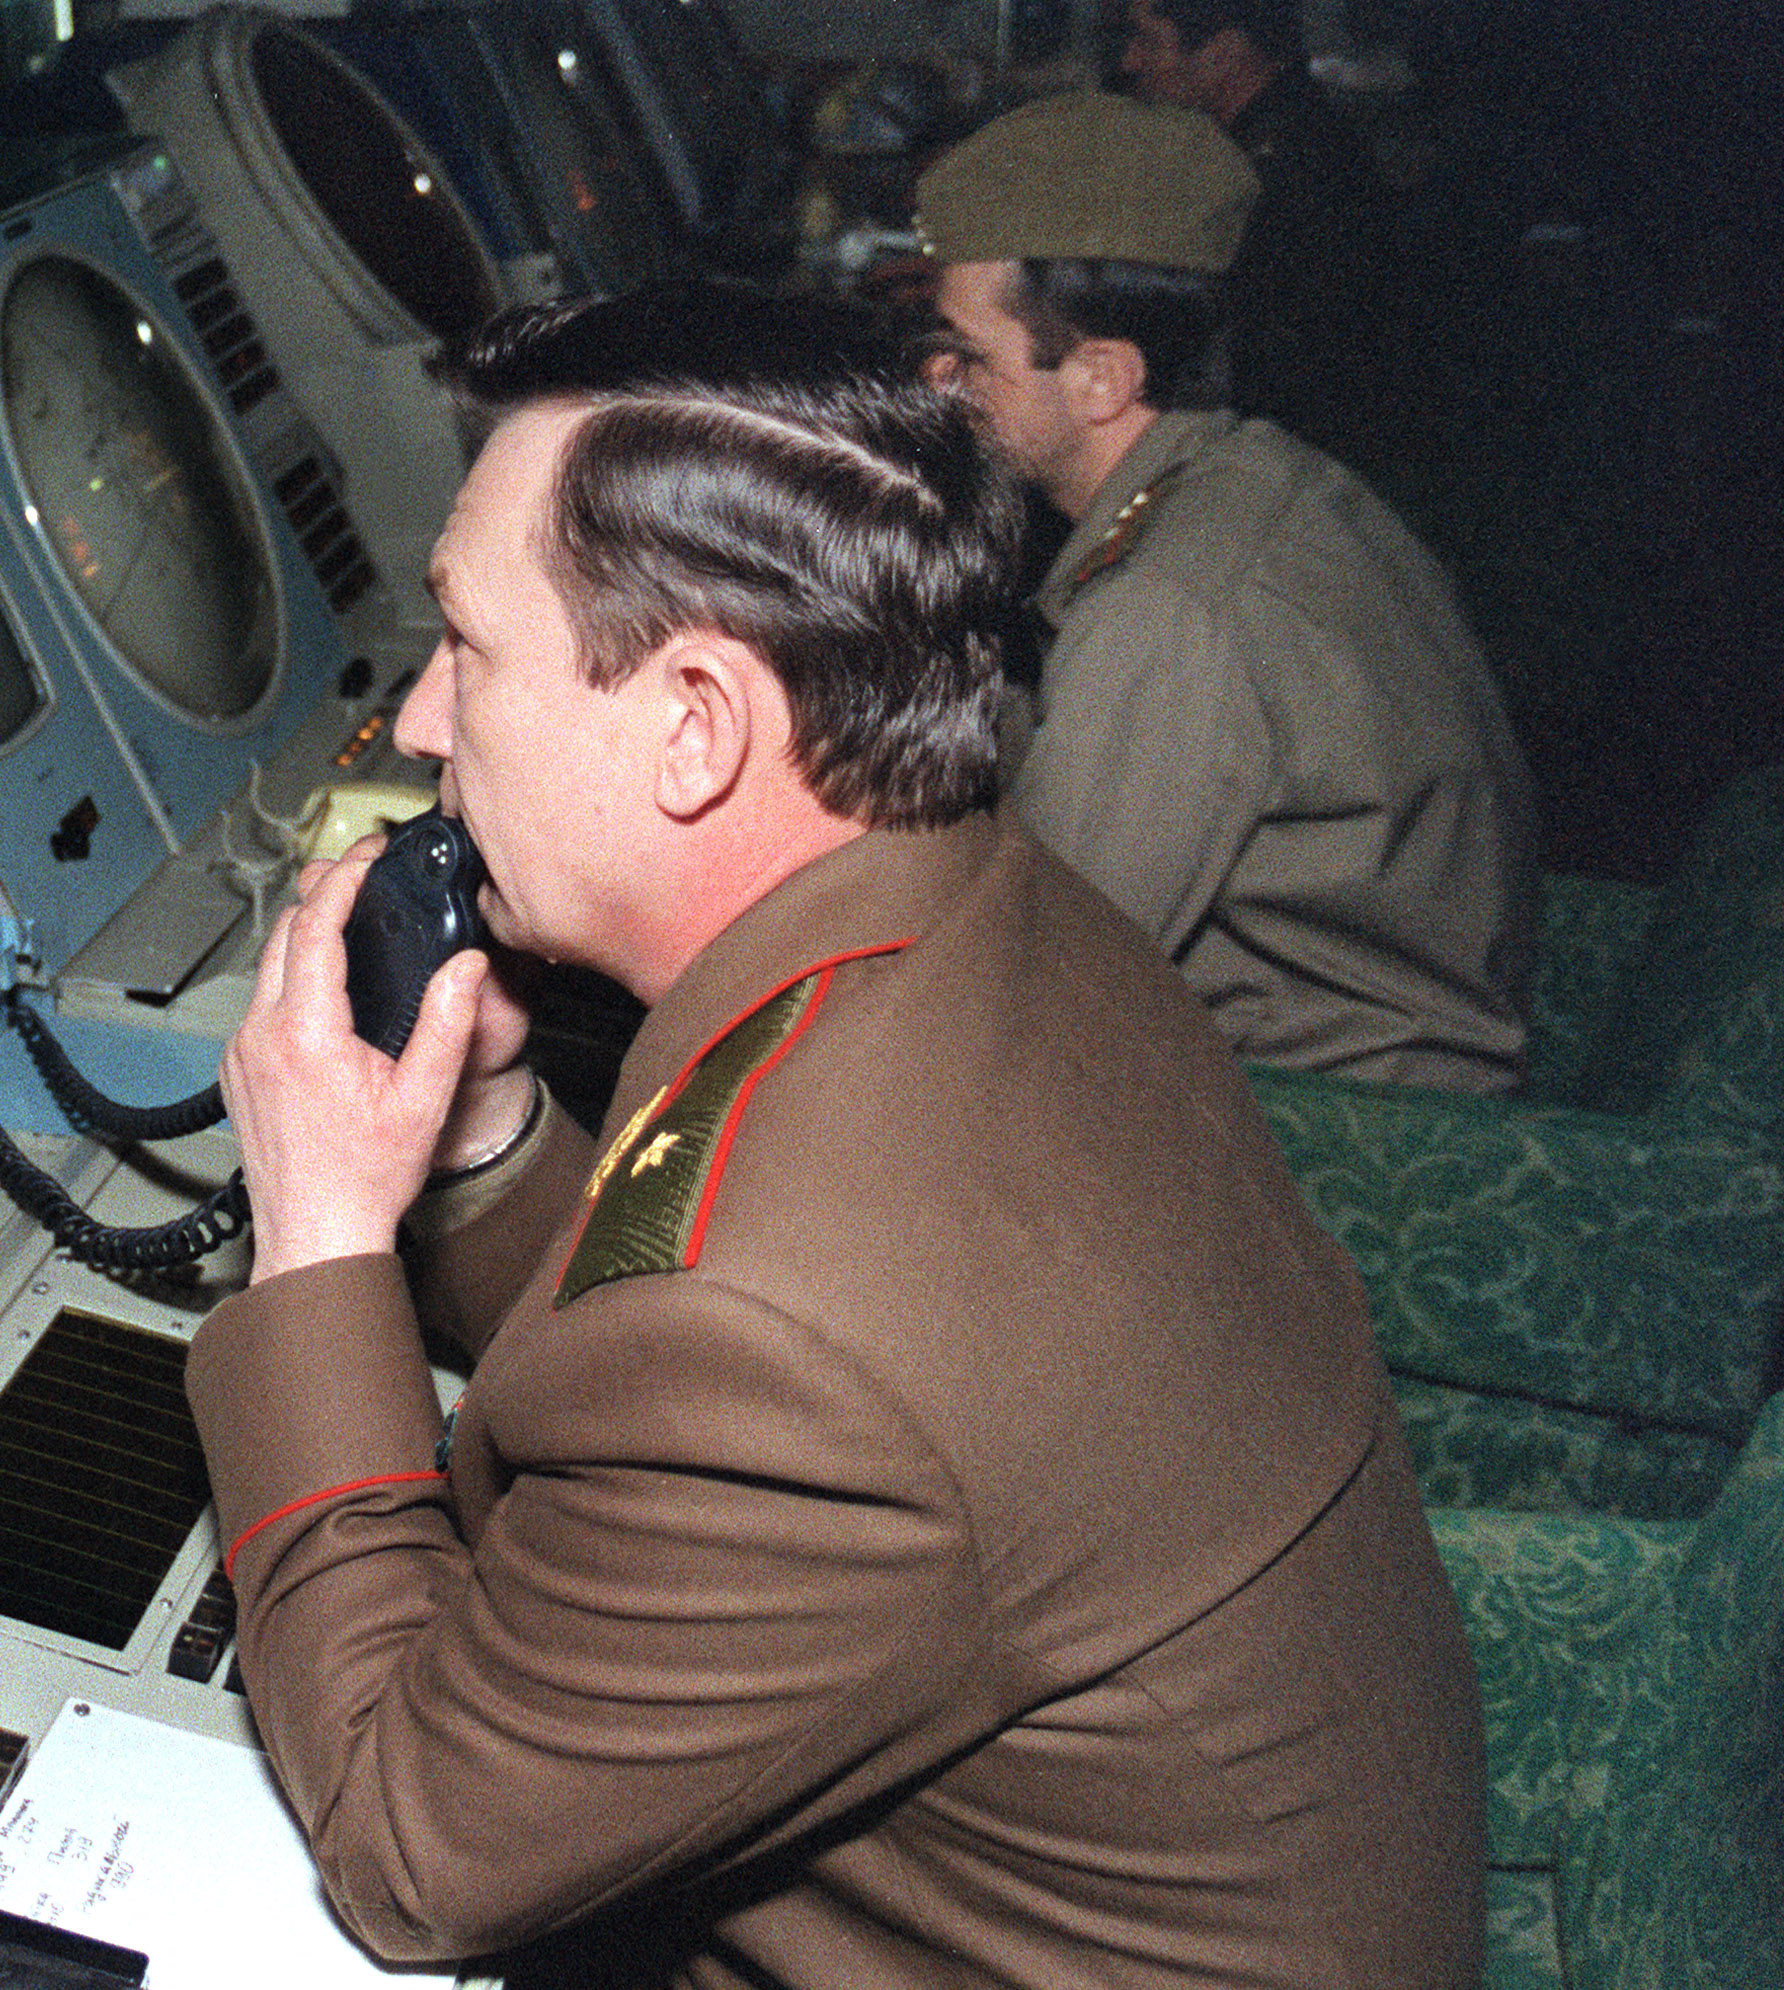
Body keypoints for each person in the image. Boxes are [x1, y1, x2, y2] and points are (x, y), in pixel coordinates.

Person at [188, 282, 1484, 1988]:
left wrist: (320, 1239)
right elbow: (666, 1321)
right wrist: (495, 1125)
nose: (425, 722)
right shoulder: (973, 907)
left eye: (466, 646)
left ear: (695, 727)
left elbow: (409, 1842)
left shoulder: (802, 1337)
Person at [914, 92, 1536, 1091]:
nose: (938, 382)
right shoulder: (1265, 478)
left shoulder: (1168, 609)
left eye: (967, 354)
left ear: (1100, 378)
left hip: (1341, 1129)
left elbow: (1034, 980)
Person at [1115, 0, 1398, 465]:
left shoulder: (1270, 169)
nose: (1131, 61)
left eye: (1150, 42)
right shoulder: (1287, 131)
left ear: (1225, 52)